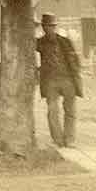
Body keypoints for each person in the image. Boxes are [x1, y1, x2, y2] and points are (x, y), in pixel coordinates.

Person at [36, 13, 83, 148]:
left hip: (68, 80)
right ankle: (58, 140)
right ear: (43, 27)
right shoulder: (39, 43)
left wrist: (76, 73)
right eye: (47, 26)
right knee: (52, 110)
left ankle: (69, 139)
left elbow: (75, 59)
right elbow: (30, 54)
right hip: (51, 81)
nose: (49, 29)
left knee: (70, 110)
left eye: (52, 26)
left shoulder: (65, 41)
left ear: (55, 27)